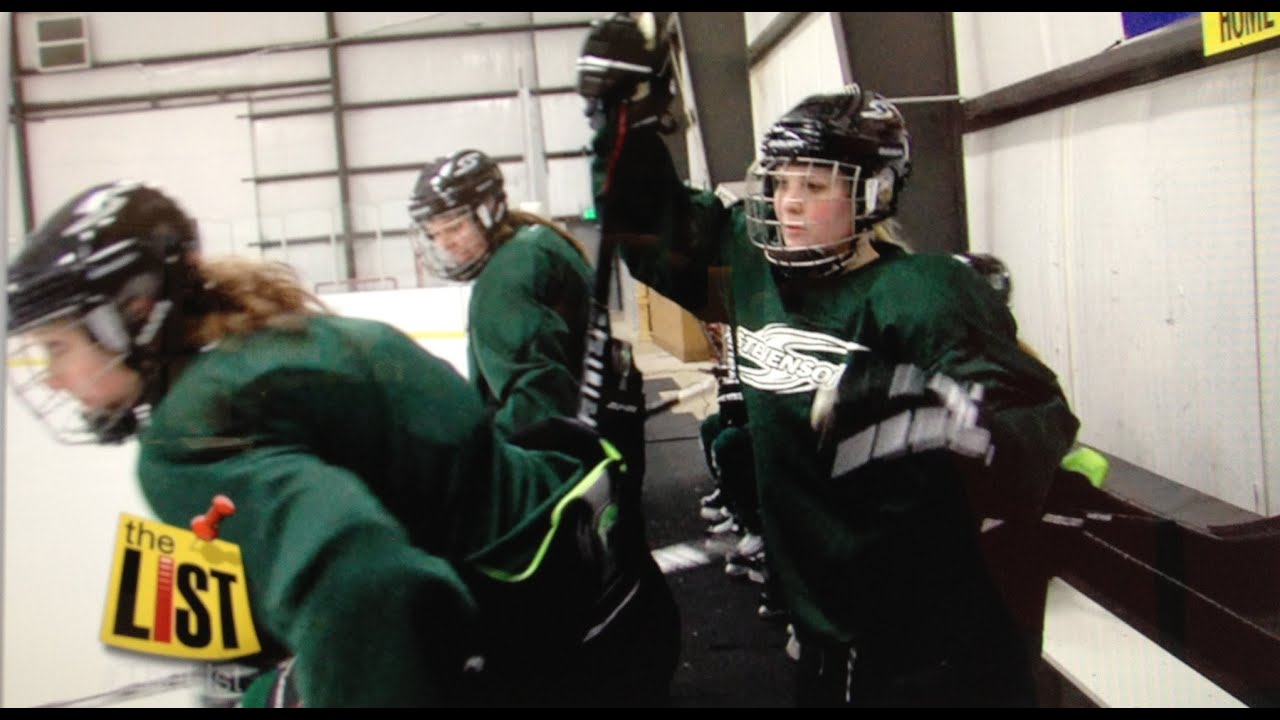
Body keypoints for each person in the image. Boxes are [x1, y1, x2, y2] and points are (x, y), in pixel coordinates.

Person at [6, 180, 680, 707]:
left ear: (130, 314)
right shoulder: (280, 337)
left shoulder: (187, 435)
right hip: (609, 607)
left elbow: (368, 587)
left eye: (57, 346)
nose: (55, 378)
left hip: (543, 656)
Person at [578, 16, 1079, 708]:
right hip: (821, 631)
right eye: (780, 183)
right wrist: (621, 119)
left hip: (934, 646)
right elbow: (651, 225)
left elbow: (1038, 420)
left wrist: (950, 418)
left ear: (870, 191)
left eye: (814, 187)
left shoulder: (921, 292)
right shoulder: (748, 267)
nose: (786, 203)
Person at [408, 149, 595, 441]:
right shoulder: (536, 240)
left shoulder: (506, 277)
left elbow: (539, 404)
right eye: (435, 234)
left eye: (454, 227)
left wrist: (477, 461)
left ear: (489, 209)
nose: (445, 244)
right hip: (602, 440)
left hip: (566, 468)